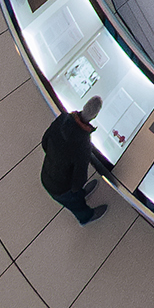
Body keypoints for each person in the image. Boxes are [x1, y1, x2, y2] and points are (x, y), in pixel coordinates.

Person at [41, 94, 108, 223]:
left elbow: (45, 140)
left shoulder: (63, 118)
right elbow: (80, 176)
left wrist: (54, 157)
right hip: (60, 188)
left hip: (46, 173)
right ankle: (86, 217)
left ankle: (81, 194)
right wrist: (76, 189)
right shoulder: (83, 144)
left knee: (75, 194)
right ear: (94, 117)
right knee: (76, 204)